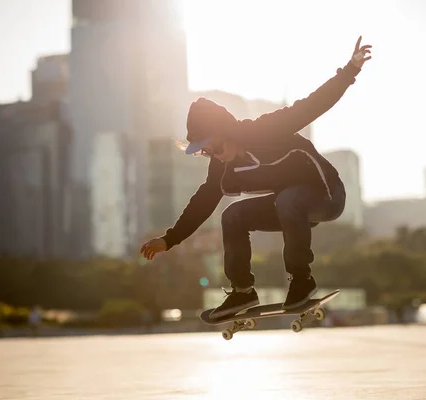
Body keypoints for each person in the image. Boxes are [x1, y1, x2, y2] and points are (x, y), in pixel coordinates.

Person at [140, 36, 372, 319]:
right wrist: (170, 239)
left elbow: (311, 106)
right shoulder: (221, 168)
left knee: (288, 199)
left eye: (216, 146)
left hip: (328, 194)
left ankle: (301, 280)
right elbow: (202, 202)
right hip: (291, 207)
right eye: (206, 152)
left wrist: (349, 70)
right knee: (232, 215)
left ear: (227, 131)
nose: (214, 155)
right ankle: (242, 292)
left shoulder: (265, 131)